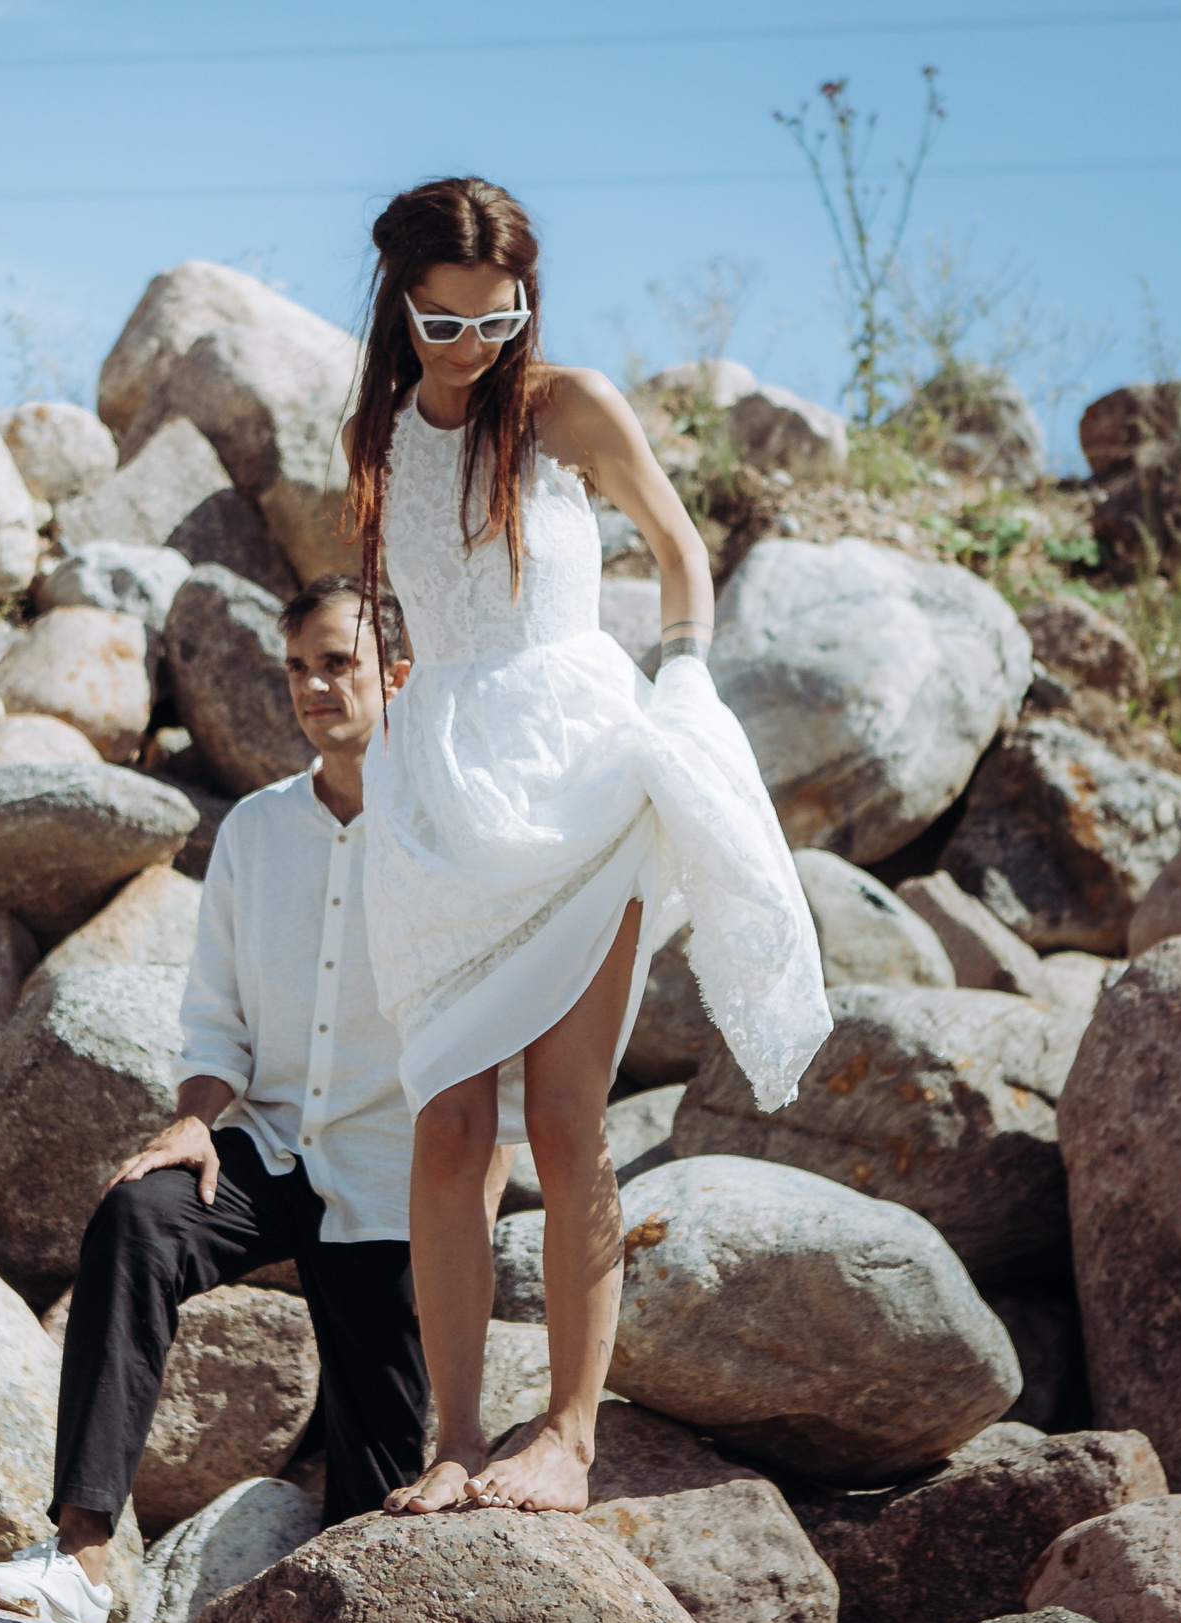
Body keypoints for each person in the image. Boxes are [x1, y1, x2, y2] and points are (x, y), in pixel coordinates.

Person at [347, 178, 833, 1517]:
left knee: (566, 1120)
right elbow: (409, 615)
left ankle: (567, 1433)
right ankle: (452, 1437)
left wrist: (680, 676)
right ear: (397, 304)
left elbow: (682, 551)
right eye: (445, 322)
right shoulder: (379, 433)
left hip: (580, 766)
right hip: (440, 795)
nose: (475, 346)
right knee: (447, 1124)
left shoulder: (569, 408)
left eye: (499, 317)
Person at [0, 575, 510, 1623]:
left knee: (374, 1507)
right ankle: (80, 1553)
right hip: (271, 1156)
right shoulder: (253, 834)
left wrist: (475, 1197)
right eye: (296, 667)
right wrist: (195, 1114)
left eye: (336, 662)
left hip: (398, 1188)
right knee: (140, 1215)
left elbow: (500, 1045)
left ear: (395, 673)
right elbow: (217, 1026)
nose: (312, 686)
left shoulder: (453, 834)